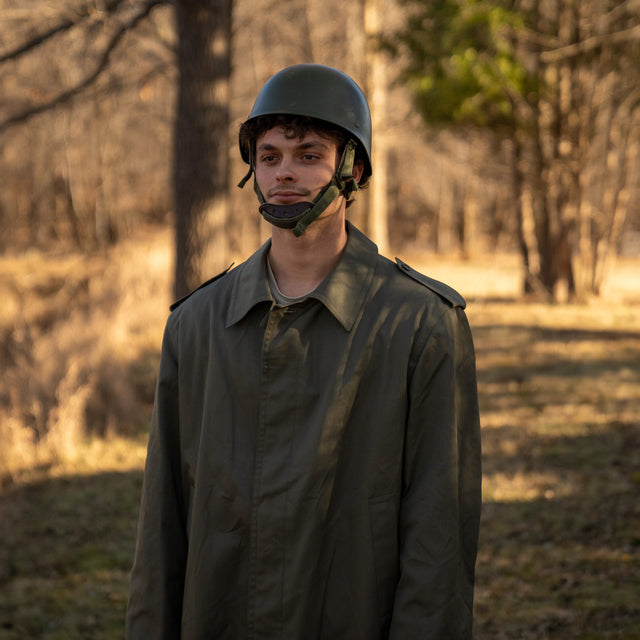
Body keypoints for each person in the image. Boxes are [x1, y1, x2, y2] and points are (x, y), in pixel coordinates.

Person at [126, 63, 481, 639]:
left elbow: (440, 531)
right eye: (270, 157)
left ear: (353, 169)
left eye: (309, 155)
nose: (284, 173)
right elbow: (161, 525)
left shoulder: (419, 322)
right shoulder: (195, 326)